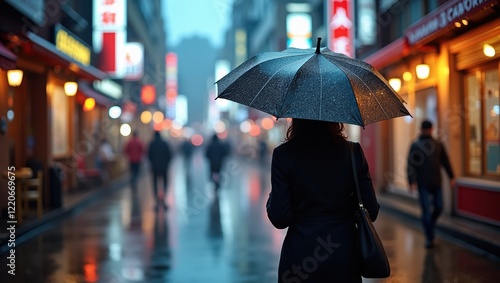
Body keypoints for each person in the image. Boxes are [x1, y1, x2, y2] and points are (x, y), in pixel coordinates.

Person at [266, 118, 379, 282]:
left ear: (297, 120)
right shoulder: (352, 152)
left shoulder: (283, 154)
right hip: (343, 255)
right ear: (335, 120)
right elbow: (372, 211)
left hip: (300, 258)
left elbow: (279, 218)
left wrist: (272, 198)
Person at [407, 120, 455, 249]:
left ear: (432, 130)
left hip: (436, 182)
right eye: (426, 129)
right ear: (422, 130)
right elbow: (411, 164)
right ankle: (429, 238)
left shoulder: (438, 144)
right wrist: (411, 181)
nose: (428, 131)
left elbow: (445, 161)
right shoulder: (416, 145)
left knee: (439, 207)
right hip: (422, 183)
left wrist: (451, 176)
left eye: (429, 129)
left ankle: (430, 224)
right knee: (426, 211)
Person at [148, 131, 173, 209]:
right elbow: (169, 155)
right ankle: (164, 200)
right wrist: (166, 163)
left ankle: (156, 202)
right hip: (164, 167)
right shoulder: (164, 144)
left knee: (155, 184)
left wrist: (152, 163)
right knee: (165, 183)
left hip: (155, 167)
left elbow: (149, 155)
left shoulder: (152, 144)